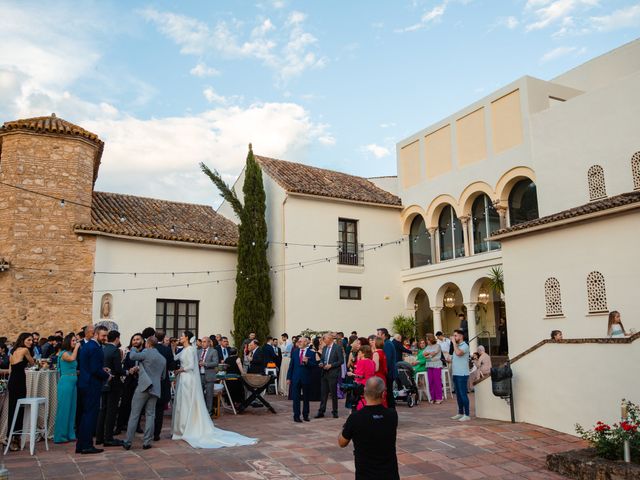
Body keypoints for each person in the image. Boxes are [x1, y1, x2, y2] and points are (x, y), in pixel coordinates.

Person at [172, 331, 256, 448]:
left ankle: (204, 416)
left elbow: (192, 366)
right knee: (187, 402)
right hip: (190, 378)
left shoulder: (198, 350)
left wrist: (183, 369)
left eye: (182, 335)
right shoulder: (191, 350)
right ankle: (182, 426)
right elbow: (176, 357)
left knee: (204, 397)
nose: (180, 337)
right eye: (203, 341)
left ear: (187, 338)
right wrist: (173, 348)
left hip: (198, 376)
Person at [339, 376, 399, 480]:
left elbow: (342, 442)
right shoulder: (392, 415)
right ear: (384, 393)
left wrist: (347, 424)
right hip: (390, 475)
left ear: (364, 392)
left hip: (366, 475)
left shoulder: (356, 418)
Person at [123, 336, 166, 450]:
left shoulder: (146, 352)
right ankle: (147, 442)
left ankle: (128, 441)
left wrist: (133, 348)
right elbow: (163, 376)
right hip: (155, 388)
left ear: (148, 344)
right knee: (151, 415)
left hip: (143, 387)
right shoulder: (162, 358)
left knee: (134, 414)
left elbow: (132, 356)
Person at [76, 325, 111, 454]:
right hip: (91, 385)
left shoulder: (87, 346)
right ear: (96, 334)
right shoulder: (95, 348)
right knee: (90, 415)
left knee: (85, 415)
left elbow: (89, 366)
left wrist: (102, 370)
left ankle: (81, 445)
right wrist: (107, 376)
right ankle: (87, 445)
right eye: (103, 335)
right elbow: (95, 369)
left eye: (106, 335)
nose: (105, 338)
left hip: (84, 383)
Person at [6, 333, 35, 451]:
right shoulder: (25, 350)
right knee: (20, 409)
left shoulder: (13, 351)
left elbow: (10, 369)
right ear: (23, 340)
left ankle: (10, 436)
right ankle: (15, 439)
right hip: (19, 382)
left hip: (12, 381)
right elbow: (32, 363)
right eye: (29, 340)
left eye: (32, 340)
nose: (31, 342)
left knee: (12, 408)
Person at [96, 330, 125, 447]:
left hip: (104, 382)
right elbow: (118, 369)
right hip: (113, 383)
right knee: (111, 411)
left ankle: (99, 437)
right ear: (117, 338)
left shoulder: (103, 349)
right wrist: (127, 371)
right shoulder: (115, 350)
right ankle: (108, 438)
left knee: (103, 410)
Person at [54, 333, 80, 443]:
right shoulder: (63, 353)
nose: (75, 342)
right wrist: (77, 348)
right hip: (65, 383)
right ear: (68, 341)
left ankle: (70, 434)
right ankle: (60, 436)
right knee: (64, 409)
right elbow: (72, 358)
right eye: (73, 341)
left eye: (76, 341)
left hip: (73, 382)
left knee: (72, 409)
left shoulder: (70, 352)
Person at [117, 333, 143, 434]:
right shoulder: (128, 354)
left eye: (137, 339)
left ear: (142, 341)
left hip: (140, 382)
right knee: (125, 404)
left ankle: (137, 426)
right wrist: (130, 370)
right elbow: (124, 367)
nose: (135, 341)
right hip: (129, 382)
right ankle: (120, 426)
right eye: (134, 340)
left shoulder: (145, 353)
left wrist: (140, 369)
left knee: (138, 405)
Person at [287, 337, 317, 422]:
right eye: (298, 341)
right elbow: (291, 366)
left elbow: (314, 365)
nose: (299, 343)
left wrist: (307, 362)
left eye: (301, 341)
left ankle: (305, 415)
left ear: (306, 343)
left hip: (306, 378)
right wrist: (288, 378)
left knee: (306, 398)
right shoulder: (295, 352)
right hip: (295, 378)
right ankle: (296, 416)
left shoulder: (311, 353)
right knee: (296, 398)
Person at [315, 333, 345, 419]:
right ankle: (321, 411)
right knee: (323, 393)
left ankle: (335, 411)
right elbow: (323, 359)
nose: (323, 340)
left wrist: (331, 365)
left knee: (333, 393)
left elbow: (341, 361)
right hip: (324, 373)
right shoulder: (324, 348)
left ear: (330, 339)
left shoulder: (337, 348)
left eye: (324, 339)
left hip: (333, 373)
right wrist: (321, 363)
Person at [154, 331, 176, 441]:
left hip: (150, 381)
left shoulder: (150, 348)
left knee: (150, 409)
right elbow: (172, 366)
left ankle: (149, 432)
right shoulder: (166, 349)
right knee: (159, 410)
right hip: (162, 381)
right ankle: (156, 434)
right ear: (163, 338)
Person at [450, 329, 471, 422]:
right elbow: (455, 357)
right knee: (458, 395)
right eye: (454, 336)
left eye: (456, 335)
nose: (454, 337)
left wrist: (454, 343)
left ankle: (467, 414)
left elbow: (458, 353)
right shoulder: (457, 346)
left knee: (463, 394)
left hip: (462, 374)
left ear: (461, 336)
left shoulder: (465, 346)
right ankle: (460, 413)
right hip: (456, 373)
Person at [348, 345, 376, 410]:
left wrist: (351, 374)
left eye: (359, 352)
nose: (358, 353)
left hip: (361, 385)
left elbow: (360, 376)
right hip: (370, 384)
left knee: (357, 402)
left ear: (363, 353)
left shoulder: (361, 362)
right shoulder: (372, 362)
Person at [198, 337, 219, 415]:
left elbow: (216, 363)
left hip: (209, 376)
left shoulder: (213, 351)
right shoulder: (198, 351)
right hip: (200, 376)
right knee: (200, 394)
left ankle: (209, 412)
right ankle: (202, 411)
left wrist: (205, 364)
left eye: (204, 342)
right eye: (202, 342)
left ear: (209, 343)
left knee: (209, 395)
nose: (202, 343)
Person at [376, 328, 396, 409]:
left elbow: (387, 360)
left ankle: (391, 412)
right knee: (388, 394)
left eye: (378, 334)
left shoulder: (387, 344)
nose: (377, 336)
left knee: (388, 394)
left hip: (389, 373)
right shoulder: (387, 343)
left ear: (383, 335)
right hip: (388, 372)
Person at [424, 334, 443, 404]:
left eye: (427, 339)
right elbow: (424, 354)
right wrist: (429, 354)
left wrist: (428, 354)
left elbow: (433, 353)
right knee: (431, 382)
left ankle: (439, 398)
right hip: (429, 365)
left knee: (437, 382)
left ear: (431, 339)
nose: (427, 341)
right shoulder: (427, 347)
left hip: (436, 365)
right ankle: (433, 397)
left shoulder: (438, 346)